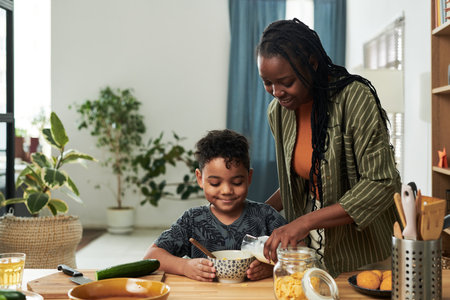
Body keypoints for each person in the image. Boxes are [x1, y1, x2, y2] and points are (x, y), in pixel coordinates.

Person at [256, 18, 401, 277]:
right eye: (267, 83)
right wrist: (259, 213)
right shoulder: (277, 113)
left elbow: (381, 181)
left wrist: (304, 222)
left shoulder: (354, 98)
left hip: (363, 251)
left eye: (286, 81)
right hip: (310, 245)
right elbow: (301, 178)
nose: (276, 92)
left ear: (312, 64)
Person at [143, 129, 287, 282]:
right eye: (215, 183)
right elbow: (151, 256)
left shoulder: (265, 215)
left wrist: (272, 266)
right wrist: (184, 266)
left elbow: (300, 252)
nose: (226, 191)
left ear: (249, 177)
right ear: (200, 179)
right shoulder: (192, 220)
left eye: (237, 182)